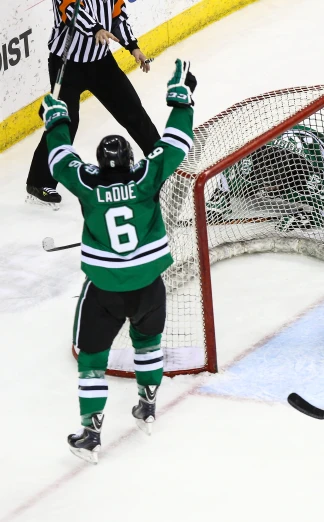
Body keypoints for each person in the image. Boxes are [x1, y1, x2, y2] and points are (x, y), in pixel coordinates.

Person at [43, 59, 197, 464]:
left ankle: (91, 433)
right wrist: (181, 100)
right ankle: (147, 405)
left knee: (92, 358)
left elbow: (59, 160)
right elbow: (177, 142)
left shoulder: (87, 183)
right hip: (149, 286)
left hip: (105, 290)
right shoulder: (146, 175)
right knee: (147, 345)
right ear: (130, 159)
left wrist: (56, 119)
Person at [27, 0, 159, 209]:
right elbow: (72, 10)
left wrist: (132, 46)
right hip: (67, 64)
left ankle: (160, 160)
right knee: (64, 122)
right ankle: (38, 182)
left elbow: (118, 16)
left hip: (101, 61)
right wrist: (96, 28)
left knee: (131, 109)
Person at [205, 110, 324, 232]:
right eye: (265, 181)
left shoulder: (306, 177)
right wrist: (218, 200)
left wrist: (305, 219)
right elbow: (227, 171)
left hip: (312, 144)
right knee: (244, 189)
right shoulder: (249, 164)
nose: (268, 188)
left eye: (273, 183)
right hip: (277, 142)